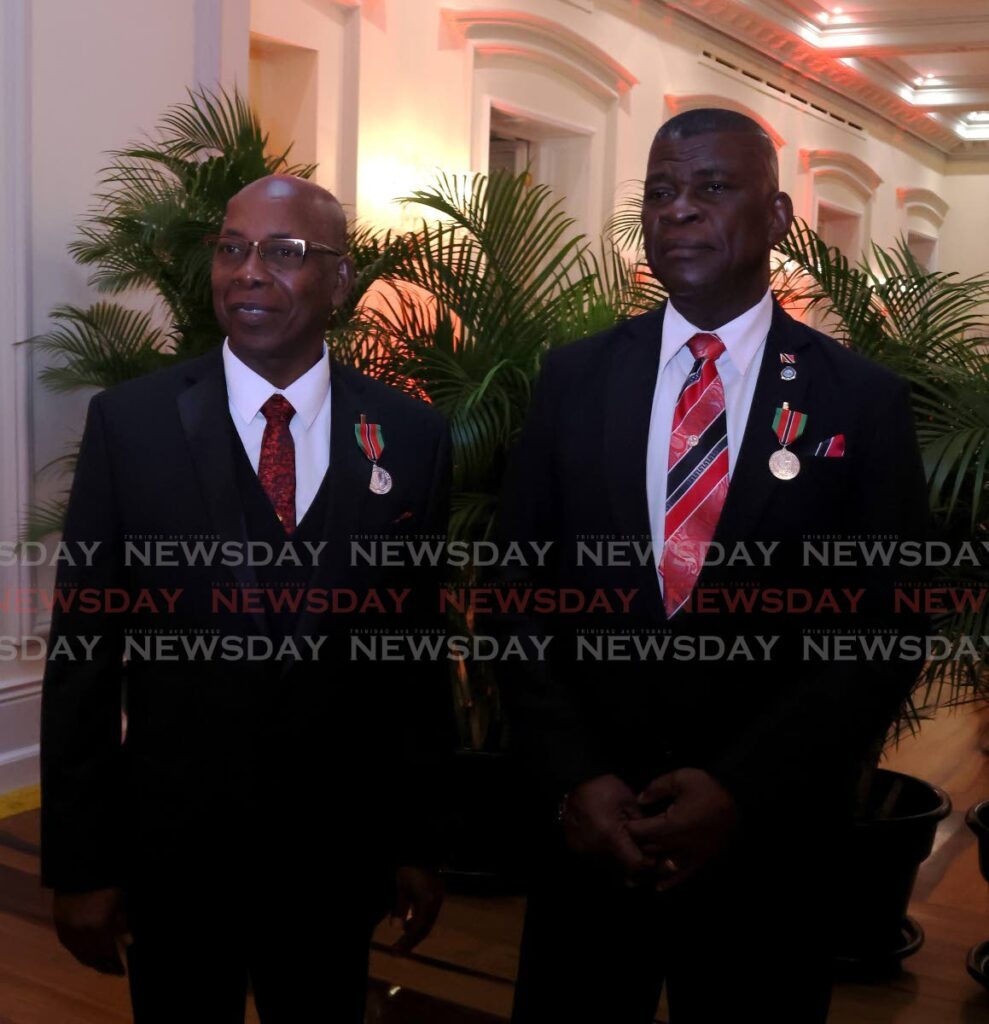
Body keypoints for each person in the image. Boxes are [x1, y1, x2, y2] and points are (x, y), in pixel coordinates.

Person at [498, 109, 928, 1022]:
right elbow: (518, 592)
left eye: (710, 188)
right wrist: (576, 776)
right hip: (592, 835)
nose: (677, 211)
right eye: (659, 193)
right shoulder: (571, 379)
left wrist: (740, 788)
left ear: (776, 219)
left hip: (763, 847)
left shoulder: (860, 399)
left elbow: (884, 626)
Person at [41, 174, 453, 1022]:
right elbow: (84, 655)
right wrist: (80, 864)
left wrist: (418, 840)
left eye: (284, 252)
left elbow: (412, 654)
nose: (247, 272)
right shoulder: (132, 423)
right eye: (232, 248)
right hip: (174, 854)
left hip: (336, 860)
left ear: (340, 280)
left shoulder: (411, 437)